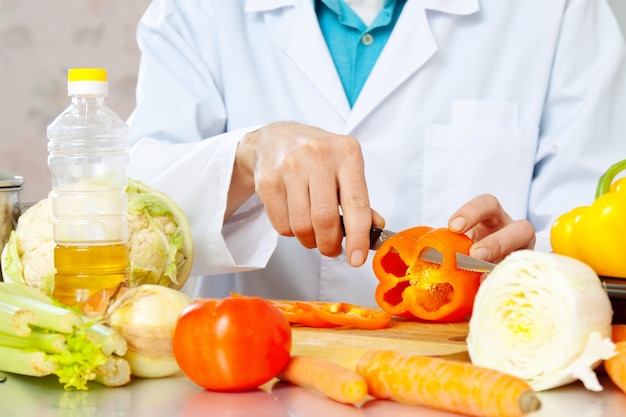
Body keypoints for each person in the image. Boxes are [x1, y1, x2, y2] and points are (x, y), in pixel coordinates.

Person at [127, 0, 626, 305]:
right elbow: (123, 203)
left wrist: (531, 262)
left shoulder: (559, 10)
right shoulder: (197, 9)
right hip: (250, 377)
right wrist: (245, 156)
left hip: (472, 374)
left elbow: (599, 235)